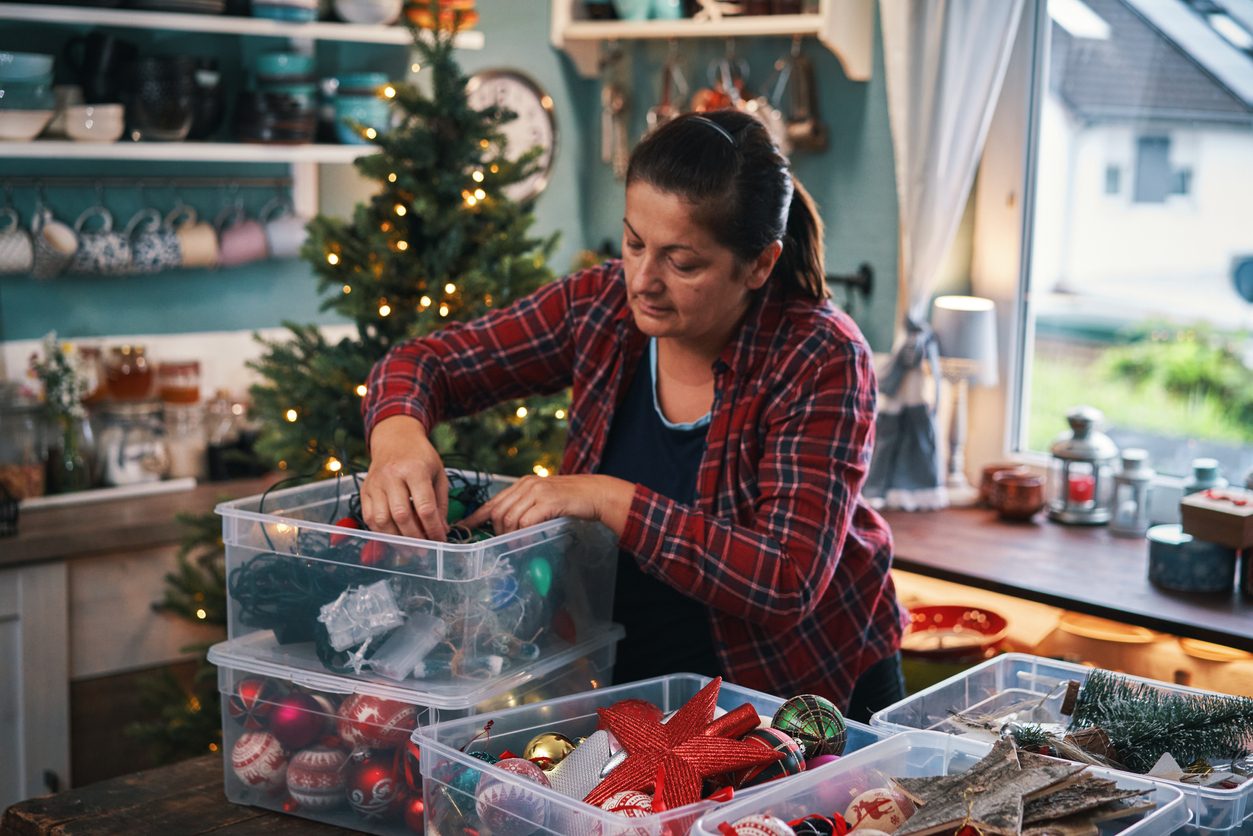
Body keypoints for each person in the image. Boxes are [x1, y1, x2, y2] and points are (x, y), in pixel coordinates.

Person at [360, 109, 907, 721]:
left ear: (759, 263)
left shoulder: (821, 355)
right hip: (634, 675)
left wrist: (607, 498)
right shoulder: (598, 307)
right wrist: (397, 433)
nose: (642, 281)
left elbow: (785, 579)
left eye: (683, 262)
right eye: (634, 243)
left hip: (793, 687)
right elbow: (427, 362)